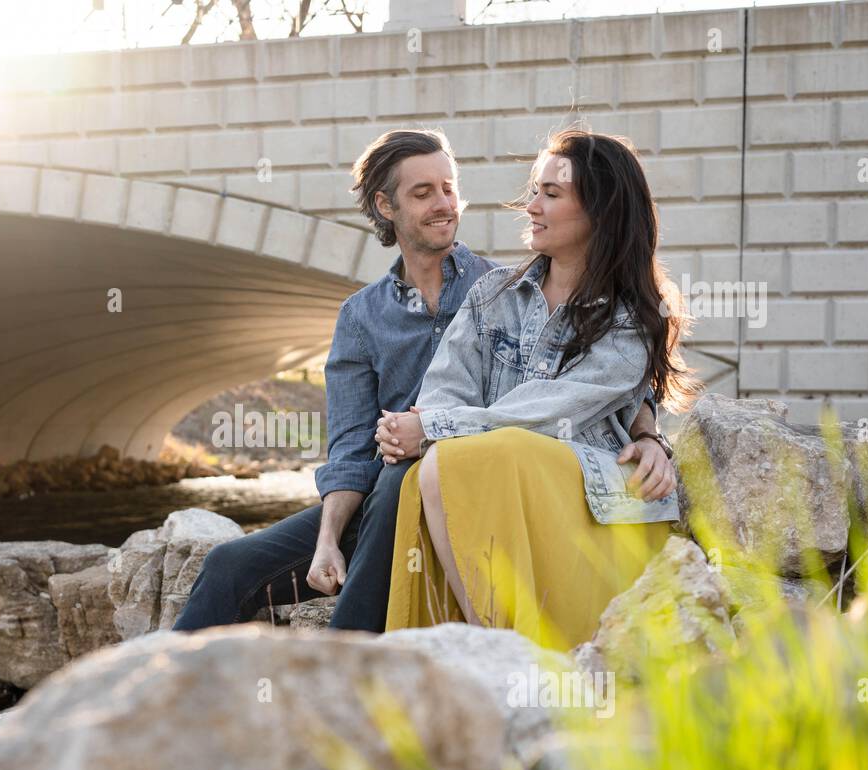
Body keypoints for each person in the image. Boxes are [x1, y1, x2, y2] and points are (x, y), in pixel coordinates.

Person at [174, 128, 675, 634]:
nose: (444, 204)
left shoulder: (498, 283)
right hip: (384, 497)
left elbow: (602, 383)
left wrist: (647, 432)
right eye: (423, 192)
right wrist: (328, 539)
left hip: (451, 487)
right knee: (229, 566)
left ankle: (348, 664)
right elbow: (351, 450)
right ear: (385, 206)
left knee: (409, 474)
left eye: (449, 188)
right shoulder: (366, 316)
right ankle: (148, 700)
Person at [377, 129, 702, 649]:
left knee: (458, 458)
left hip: (582, 499)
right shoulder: (493, 293)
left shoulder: (632, 320)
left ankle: (501, 654)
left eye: (551, 194)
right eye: (535, 190)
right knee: (436, 468)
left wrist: (432, 429)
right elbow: (444, 390)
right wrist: (430, 422)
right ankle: (491, 647)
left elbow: (548, 415)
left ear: (602, 212)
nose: (531, 206)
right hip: (497, 478)